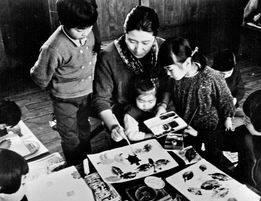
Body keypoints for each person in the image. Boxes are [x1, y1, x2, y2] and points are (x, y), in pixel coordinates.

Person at [30, 0, 98, 165]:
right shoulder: (53, 47)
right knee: (69, 134)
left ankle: (87, 160)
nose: (85, 33)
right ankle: (76, 165)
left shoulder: (89, 31)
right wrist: (52, 85)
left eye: (89, 27)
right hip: (64, 98)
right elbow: (39, 74)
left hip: (86, 93)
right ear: (63, 22)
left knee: (84, 126)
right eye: (79, 29)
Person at [92, 6, 167, 144]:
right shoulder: (109, 56)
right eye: (132, 41)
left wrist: (163, 106)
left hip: (159, 111)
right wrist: (113, 126)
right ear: (124, 34)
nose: (138, 49)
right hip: (124, 119)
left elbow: (170, 86)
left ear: (155, 36)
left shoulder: (164, 48)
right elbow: (101, 99)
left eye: (145, 43)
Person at [157, 37, 235, 163]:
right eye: (166, 69)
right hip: (185, 125)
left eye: (170, 69)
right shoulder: (175, 76)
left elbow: (227, 100)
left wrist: (228, 120)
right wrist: (163, 105)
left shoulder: (212, 77)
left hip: (209, 132)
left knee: (211, 161)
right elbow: (167, 89)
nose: (167, 73)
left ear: (187, 62)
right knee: (184, 157)